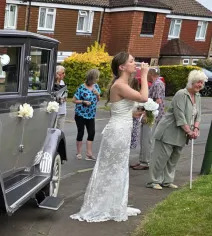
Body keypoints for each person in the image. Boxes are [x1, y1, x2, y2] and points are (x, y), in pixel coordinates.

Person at [70, 52, 149, 223]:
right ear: (122, 67)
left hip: (123, 128)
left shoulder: (122, 84)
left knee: (118, 167)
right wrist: (144, 74)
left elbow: (125, 109)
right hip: (117, 132)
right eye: (132, 61)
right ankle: (103, 205)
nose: (135, 63)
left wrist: (136, 113)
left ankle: (114, 204)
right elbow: (143, 97)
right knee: (112, 167)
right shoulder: (120, 85)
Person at [146, 70, 207, 190]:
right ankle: (153, 181)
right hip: (168, 131)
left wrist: (196, 128)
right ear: (191, 82)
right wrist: (189, 131)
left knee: (174, 158)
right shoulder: (181, 94)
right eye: (197, 82)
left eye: (202, 83)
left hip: (182, 133)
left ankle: (167, 181)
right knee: (161, 157)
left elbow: (198, 114)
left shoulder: (198, 96)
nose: (200, 85)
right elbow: (180, 116)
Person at [131, 68, 166, 170]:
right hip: (151, 115)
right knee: (144, 138)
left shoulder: (157, 84)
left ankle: (145, 162)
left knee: (147, 139)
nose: (146, 76)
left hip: (151, 117)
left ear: (151, 74)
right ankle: (143, 160)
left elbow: (157, 101)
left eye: (147, 74)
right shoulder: (157, 83)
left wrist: (147, 114)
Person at [72, 69, 101, 161]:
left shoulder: (96, 86)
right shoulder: (82, 87)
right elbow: (74, 100)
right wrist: (83, 101)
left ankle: (89, 153)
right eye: (96, 78)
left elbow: (98, 99)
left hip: (91, 114)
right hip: (80, 113)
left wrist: (97, 94)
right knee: (81, 132)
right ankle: (79, 153)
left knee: (91, 132)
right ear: (91, 78)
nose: (97, 80)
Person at [54, 65, 67, 130]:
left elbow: (64, 94)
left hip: (62, 110)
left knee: (60, 131)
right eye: (63, 73)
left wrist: (64, 97)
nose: (64, 75)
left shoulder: (62, 82)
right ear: (57, 73)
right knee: (53, 130)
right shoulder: (52, 83)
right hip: (55, 111)